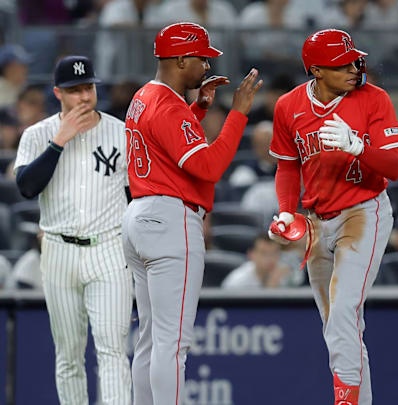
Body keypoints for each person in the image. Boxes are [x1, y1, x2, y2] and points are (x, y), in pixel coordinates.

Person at [122, 22, 261, 404]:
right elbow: (209, 168)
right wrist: (238, 115)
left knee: (151, 339)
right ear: (181, 59)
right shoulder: (167, 105)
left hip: (140, 215)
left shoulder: (144, 96)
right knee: (173, 342)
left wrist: (196, 109)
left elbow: (164, 139)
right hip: (169, 219)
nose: (206, 65)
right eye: (201, 58)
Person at [267, 29, 398, 405]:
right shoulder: (288, 106)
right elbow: (287, 166)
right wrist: (285, 208)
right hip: (315, 221)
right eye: (341, 64)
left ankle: (343, 400)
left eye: (354, 59)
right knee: (340, 326)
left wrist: (359, 146)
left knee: (344, 311)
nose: (353, 67)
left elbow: (394, 166)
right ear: (315, 71)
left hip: (363, 211)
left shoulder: (373, 99)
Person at [13, 55, 133, 404]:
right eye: (74, 90)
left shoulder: (120, 132)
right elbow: (26, 187)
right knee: (69, 355)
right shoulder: (38, 134)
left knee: (112, 351)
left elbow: (136, 192)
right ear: (58, 93)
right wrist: (59, 140)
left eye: (88, 88)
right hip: (59, 250)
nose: (83, 96)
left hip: (109, 249)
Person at [221, 233, 293, 289]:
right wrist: (271, 286)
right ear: (251, 255)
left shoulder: (288, 275)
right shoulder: (237, 282)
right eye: (263, 253)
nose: (270, 259)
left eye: (274, 253)